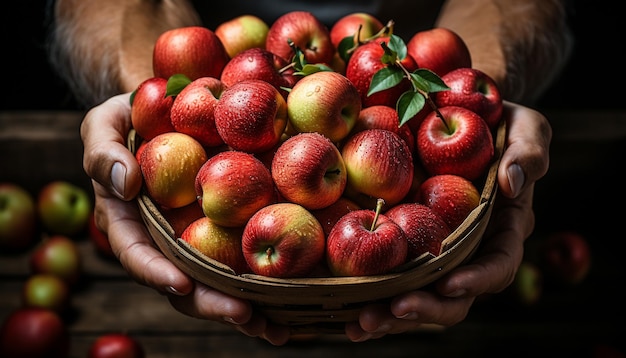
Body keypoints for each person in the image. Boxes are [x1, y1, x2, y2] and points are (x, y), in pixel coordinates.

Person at [46, 0, 573, 346]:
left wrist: (486, 106)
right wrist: (145, 104)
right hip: (240, 65)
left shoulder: (362, 128)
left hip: (397, 69)